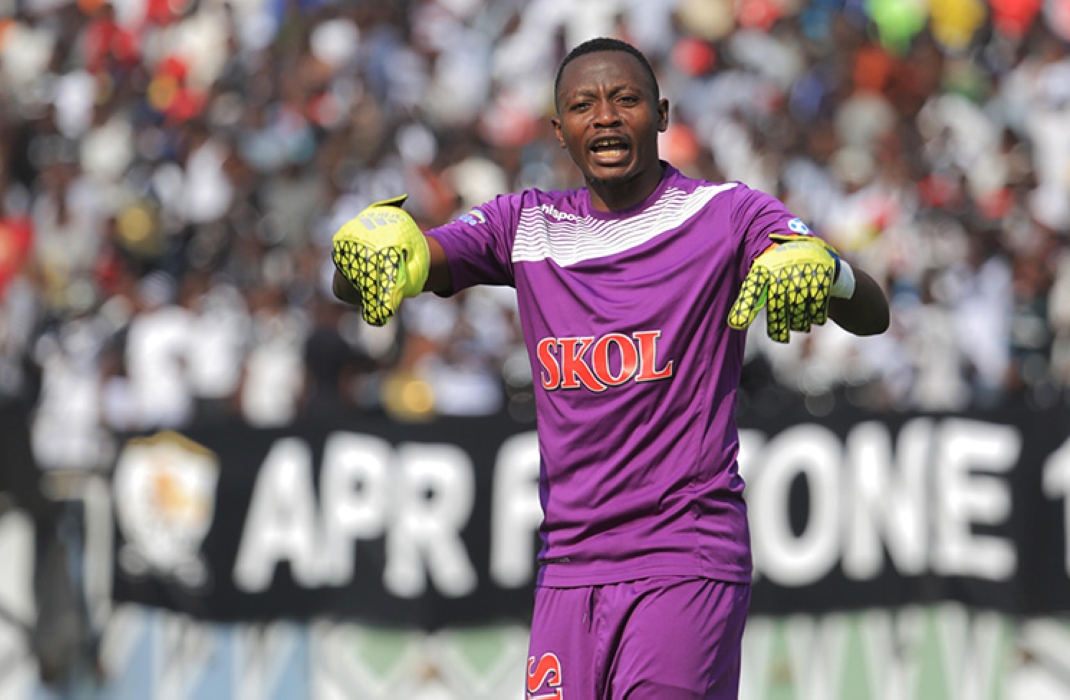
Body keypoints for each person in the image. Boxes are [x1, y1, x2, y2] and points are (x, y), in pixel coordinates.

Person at [332, 37, 889, 700]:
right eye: (582, 104)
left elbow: (872, 313)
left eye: (624, 99)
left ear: (660, 113)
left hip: (684, 557)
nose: (603, 116)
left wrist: (830, 272)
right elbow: (380, 277)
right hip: (567, 569)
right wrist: (370, 252)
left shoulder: (725, 214)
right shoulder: (525, 225)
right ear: (558, 130)